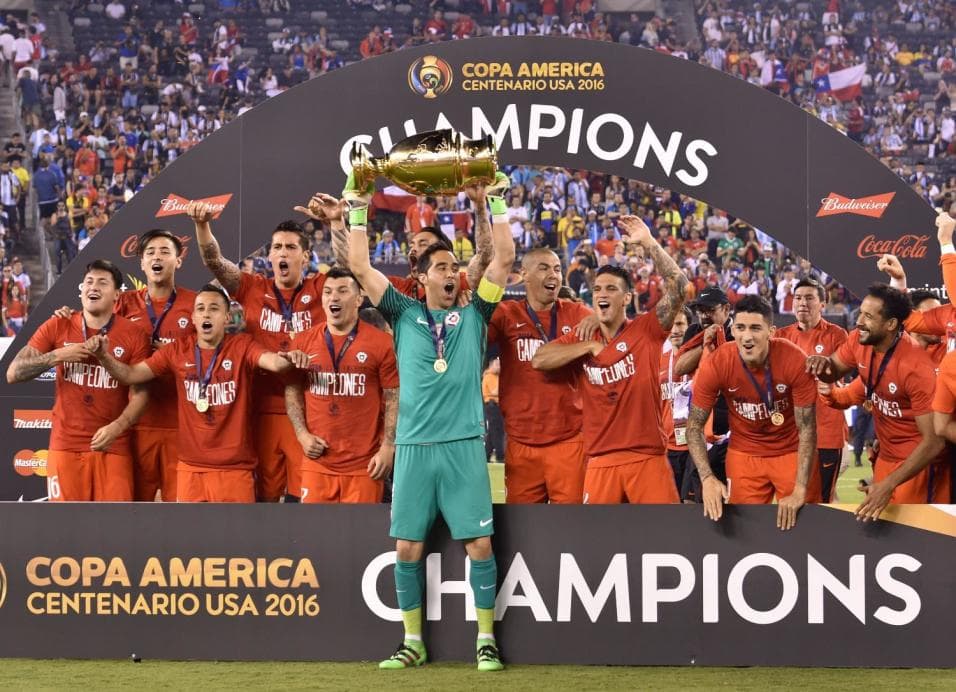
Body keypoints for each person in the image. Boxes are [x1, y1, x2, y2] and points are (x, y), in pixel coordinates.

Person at [345, 170, 513, 671]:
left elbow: (503, 258)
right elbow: (358, 263)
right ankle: (412, 641)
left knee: (479, 543)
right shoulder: (400, 312)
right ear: (421, 277)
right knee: (407, 546)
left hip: (463, 445)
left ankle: (486, 641)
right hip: (415, 448)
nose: (449, 273)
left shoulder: (475, 315)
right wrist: (358, 203)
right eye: (440, 266)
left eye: (453, 266)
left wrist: (497, 202)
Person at [85, 284, 310, 503]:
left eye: (214, 309)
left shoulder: (242, 346)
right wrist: (104, 357)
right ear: (193, 318)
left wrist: (292, 357)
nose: (206, 314)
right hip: (191, 469)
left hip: (235, 470)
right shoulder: (177, 350)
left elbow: (274, 363)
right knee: (189, 541)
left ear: (227, 318)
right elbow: (131, 375)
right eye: (200, 309)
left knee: (235, 542)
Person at [532, 215, 688, 504]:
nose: (602, 294)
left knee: (665, 539)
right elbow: (539, 359)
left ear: (627, 298)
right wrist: (587, 347)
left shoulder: (646, 329)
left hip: (647, 457)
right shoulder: (582, 336)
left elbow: (680, 287)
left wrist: (650, 243)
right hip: (601, 459)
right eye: (598, 290)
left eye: (611, 289)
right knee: (599, 547)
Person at [188, 202, 329, 502]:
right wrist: (202, 226)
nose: (282, 253)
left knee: (305, 502)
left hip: (309, 413)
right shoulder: (252, 287)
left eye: (291, 247)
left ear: (305, 257)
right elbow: (214, 261)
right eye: (277, 247)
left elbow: (352, 270)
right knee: (263, 500)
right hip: (259, 411)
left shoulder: (321, 288)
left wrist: (338, 224)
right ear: (269, 255)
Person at [6, 260, 150, 501]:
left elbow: (142, 393)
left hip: (113, 445)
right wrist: (57, 355)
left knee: (114, 531)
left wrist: (118, 427)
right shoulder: (58, 324)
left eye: (102, 283)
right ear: (81, 290)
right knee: (64, 531)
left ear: (116, 295)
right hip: (65, 446)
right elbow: (13, 373)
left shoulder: (133, 334)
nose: (93, 287)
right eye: (89, 282)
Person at [807, 284, 949, 519]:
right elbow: (832, 370)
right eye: (861, 312)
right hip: (886, 458)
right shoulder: (858, 340)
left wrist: (888, 484)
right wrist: (820, 365)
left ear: (891, 324)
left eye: (868, 316)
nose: (859, 321)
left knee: (918, 538)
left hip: (918, 464)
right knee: (882, 530)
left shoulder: (916, 368)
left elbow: (934, 442)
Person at [688, 295, 821, 530]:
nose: (747, 337)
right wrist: (707, 478)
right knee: (745, 532)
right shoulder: (718, 362)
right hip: (744, 455)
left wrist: (800, 488)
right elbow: (694, 426)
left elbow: (807, 428)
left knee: (805, 528)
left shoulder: (794, 359)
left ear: (771, 332)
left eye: (755, 328)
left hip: (790, 452)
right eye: (740, 327)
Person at [284, 267, 399, 503]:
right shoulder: (303, 340)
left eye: (342, 291)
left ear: (359, 299)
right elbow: (292, 391)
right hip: (317, 462)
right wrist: (302, 434)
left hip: (364, 466)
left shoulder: (382, 343)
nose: (333, 297)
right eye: (327, 292)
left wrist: (388, 447)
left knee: (360, 538)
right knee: (313, 537)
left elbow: (395, 398)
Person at [488, 247, 594, 503]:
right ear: (524, 274)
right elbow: (471, 335)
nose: (554, 275)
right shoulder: (506, 314)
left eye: (557, 269)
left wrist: (600, 321)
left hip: (568, 440)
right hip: (520, 441)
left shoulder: (578, 314)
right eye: (544, 268)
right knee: (524, 530)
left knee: (570, 527)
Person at [116, 229, 197, 501]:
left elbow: (214, 354)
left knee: (181, 514)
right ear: (141, 263)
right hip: (137, 424)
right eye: (150, 252)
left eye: (165, 251)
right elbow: (90, 322)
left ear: (179, 260)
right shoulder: (123, 303)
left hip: (182, 426)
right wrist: (66, 315)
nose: (157, 257)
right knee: (136, 513)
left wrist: (175, 355)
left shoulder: (197, 304)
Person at [775, 278, 848, 502]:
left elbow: (842, 375)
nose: (802, 303)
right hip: (790, 434)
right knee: (789, 498)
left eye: (809, 298)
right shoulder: (780, 336)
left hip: (826, 431)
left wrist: (827, 366)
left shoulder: (837, 335)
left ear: (822, 305)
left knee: (823, 500)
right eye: (798, 298)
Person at [659, 306, 692, 499]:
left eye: (680, 324)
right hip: (667, 448)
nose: (675, 330)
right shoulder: (658, 361)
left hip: (695, 448)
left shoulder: (700, 359)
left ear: (689, 326)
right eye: (670, 325)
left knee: (691, 506)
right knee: (669, 505)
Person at [481, 357, 504, 463]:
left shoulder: (497, 376)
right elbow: (494, 392)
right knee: (497, 432)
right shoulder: (489, 376)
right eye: (497, 364)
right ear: (491, 365)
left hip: (498, 406)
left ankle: (485, 455)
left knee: (492, 433)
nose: (499, 367)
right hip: (492, 405)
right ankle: (500, 455)